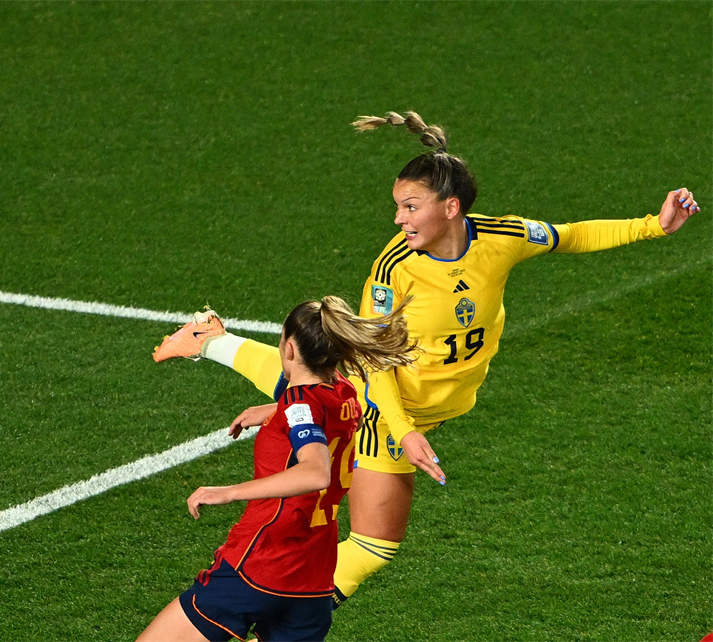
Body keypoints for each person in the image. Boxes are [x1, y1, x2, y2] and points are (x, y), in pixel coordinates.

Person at [152, 111, 702, 609]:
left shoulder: (502, 237)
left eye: (410, 207)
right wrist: (403, 430)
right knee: (373, 543)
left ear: (451, 207)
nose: (399, 219)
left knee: (322, 386)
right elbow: (375, 366)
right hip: (389, 409)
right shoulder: (394, 270)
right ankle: (291, 614)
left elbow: (571, 235)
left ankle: (210, 340)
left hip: (420, 406)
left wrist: (653, 225)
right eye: (398, 206)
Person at [138, 296, 415, 642]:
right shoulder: (345, 393)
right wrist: (275, 410)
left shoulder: (300, 403)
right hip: (314, 579)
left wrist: (227, 492)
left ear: (289, 349)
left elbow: (315, 472)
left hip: (261, 564)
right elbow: (326, 414)